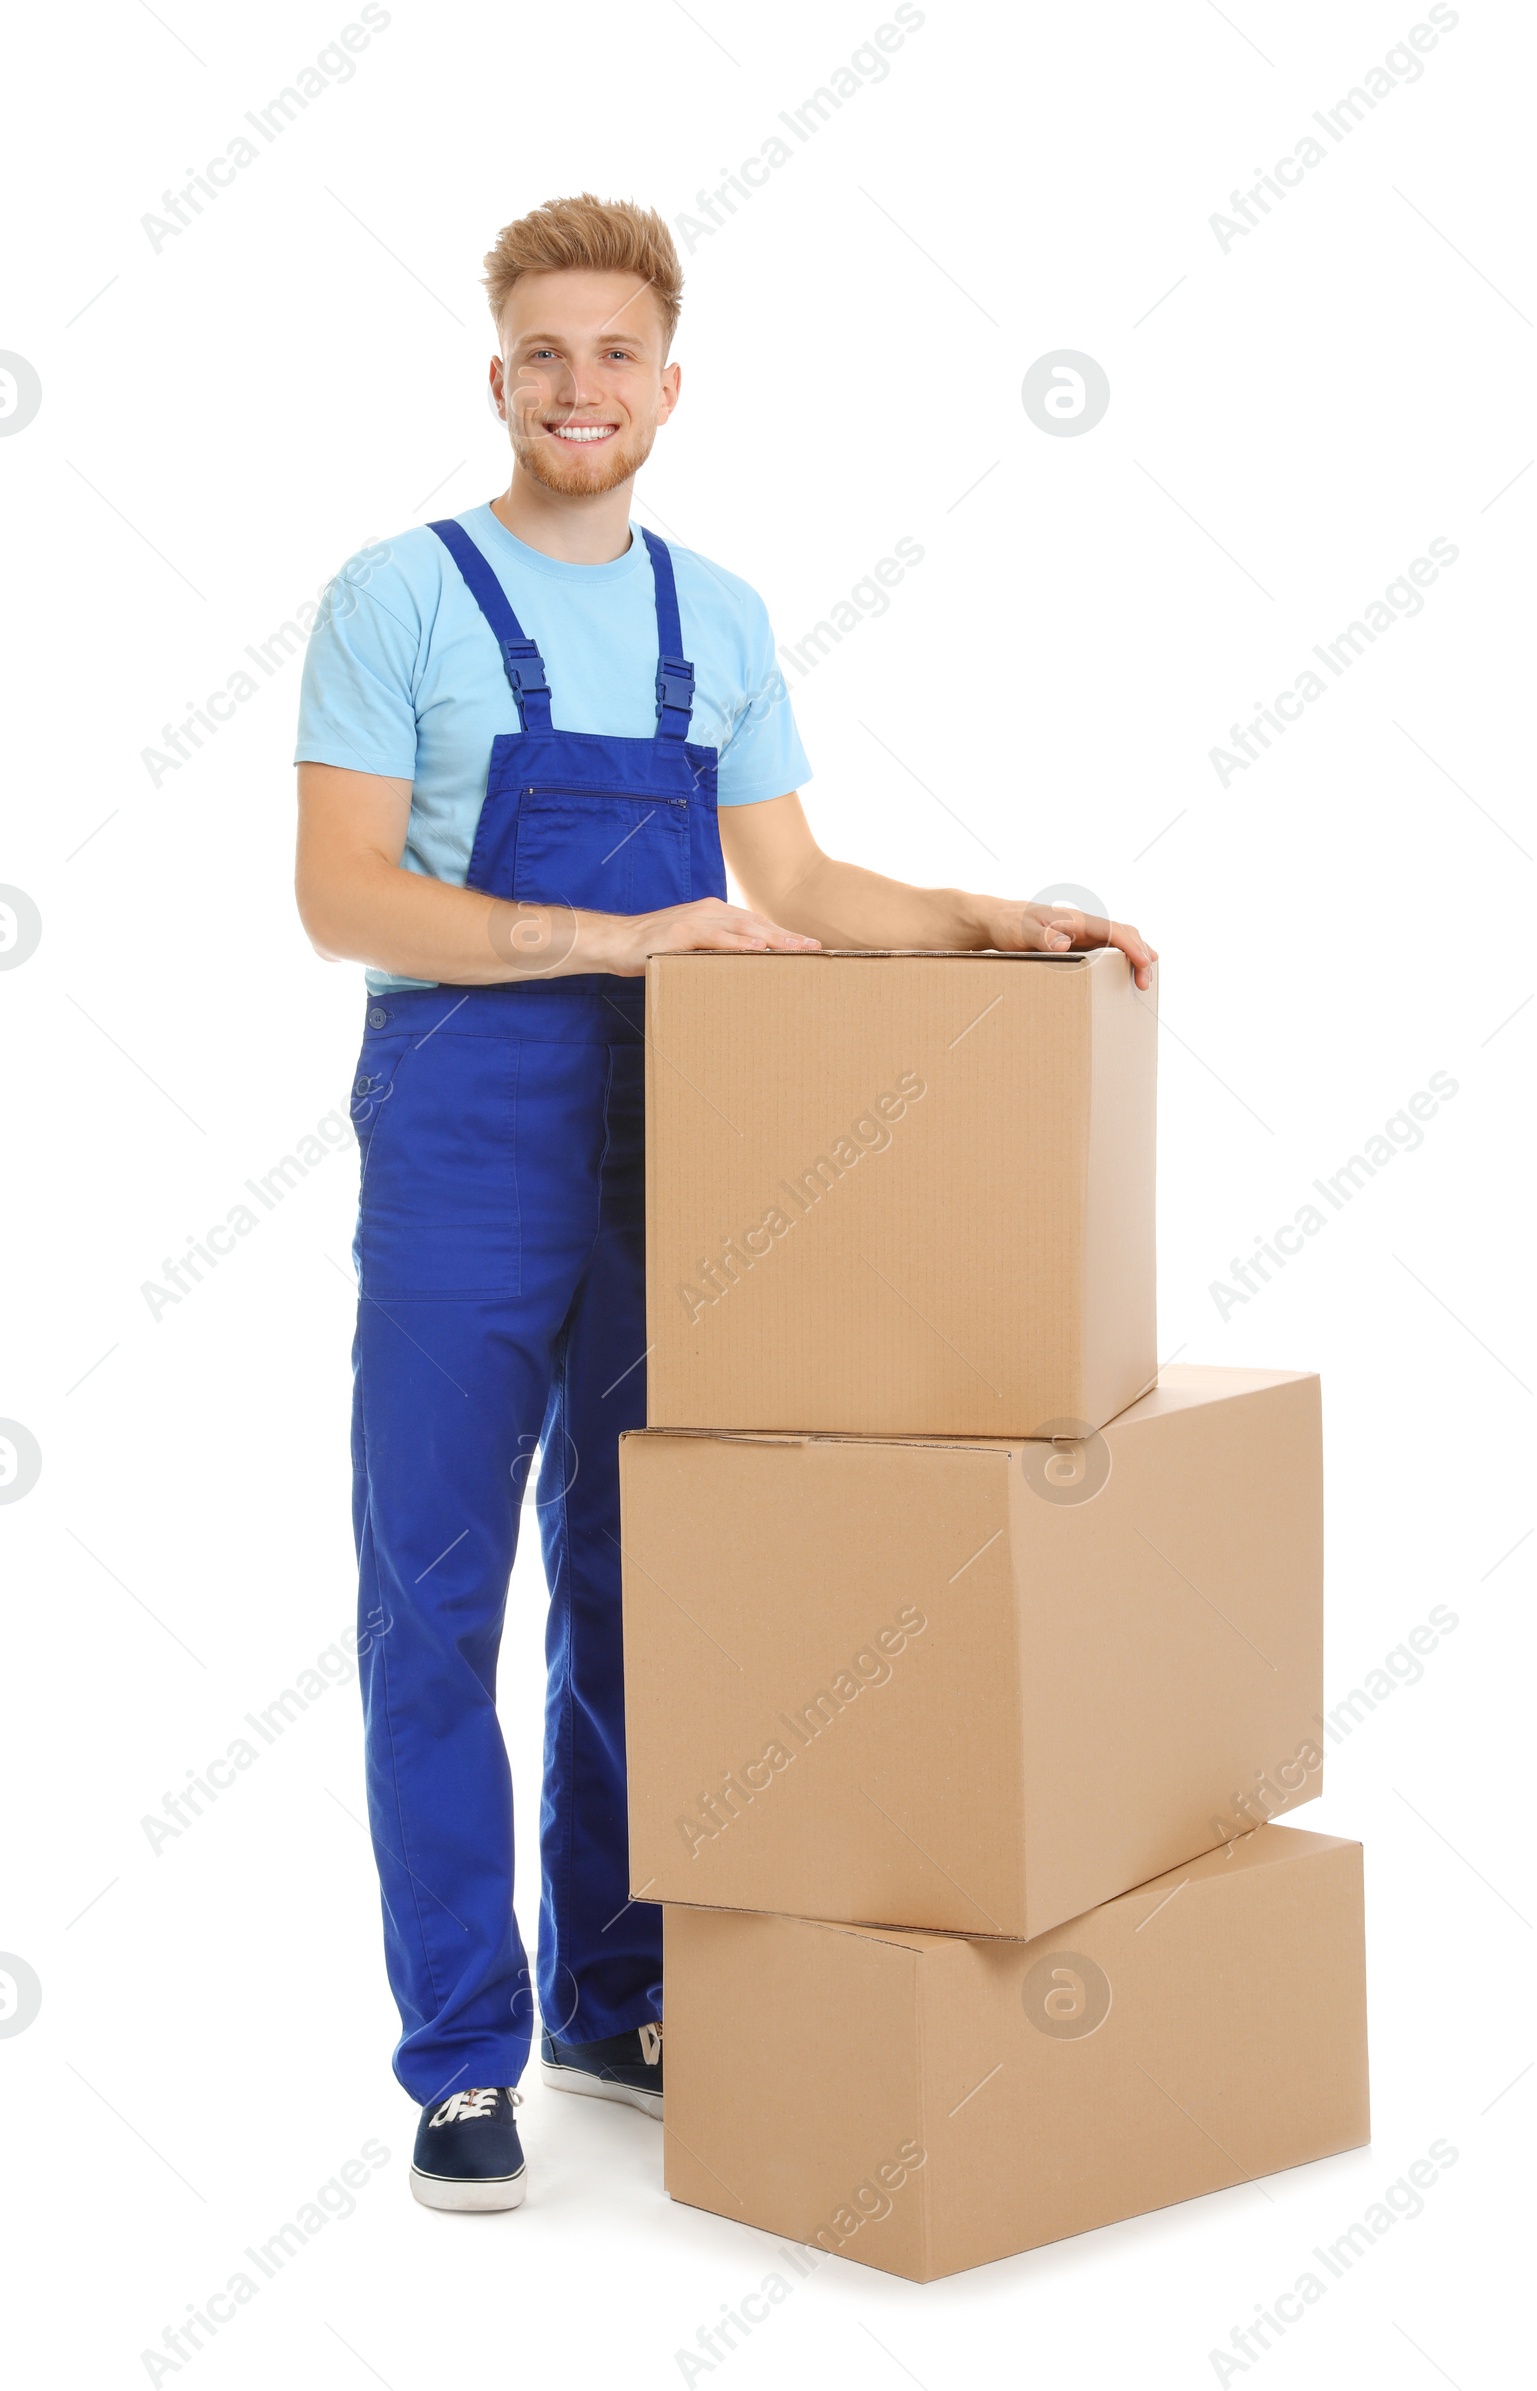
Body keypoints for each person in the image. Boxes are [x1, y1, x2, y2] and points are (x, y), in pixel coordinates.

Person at [294, 192, 1155, 2214]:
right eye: (541, 354)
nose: (578, 389)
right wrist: (594, 936)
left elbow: (791, 886)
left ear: (668, 385)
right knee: (433, 1591)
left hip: (683, 1118)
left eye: (615, 355)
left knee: (640, 1576)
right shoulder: (396, 596)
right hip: (465, 1113)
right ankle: (456, 2057)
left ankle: (610, 1993)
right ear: (492, 375)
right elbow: (343, 894)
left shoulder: (720, 617)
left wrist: (988, 922)